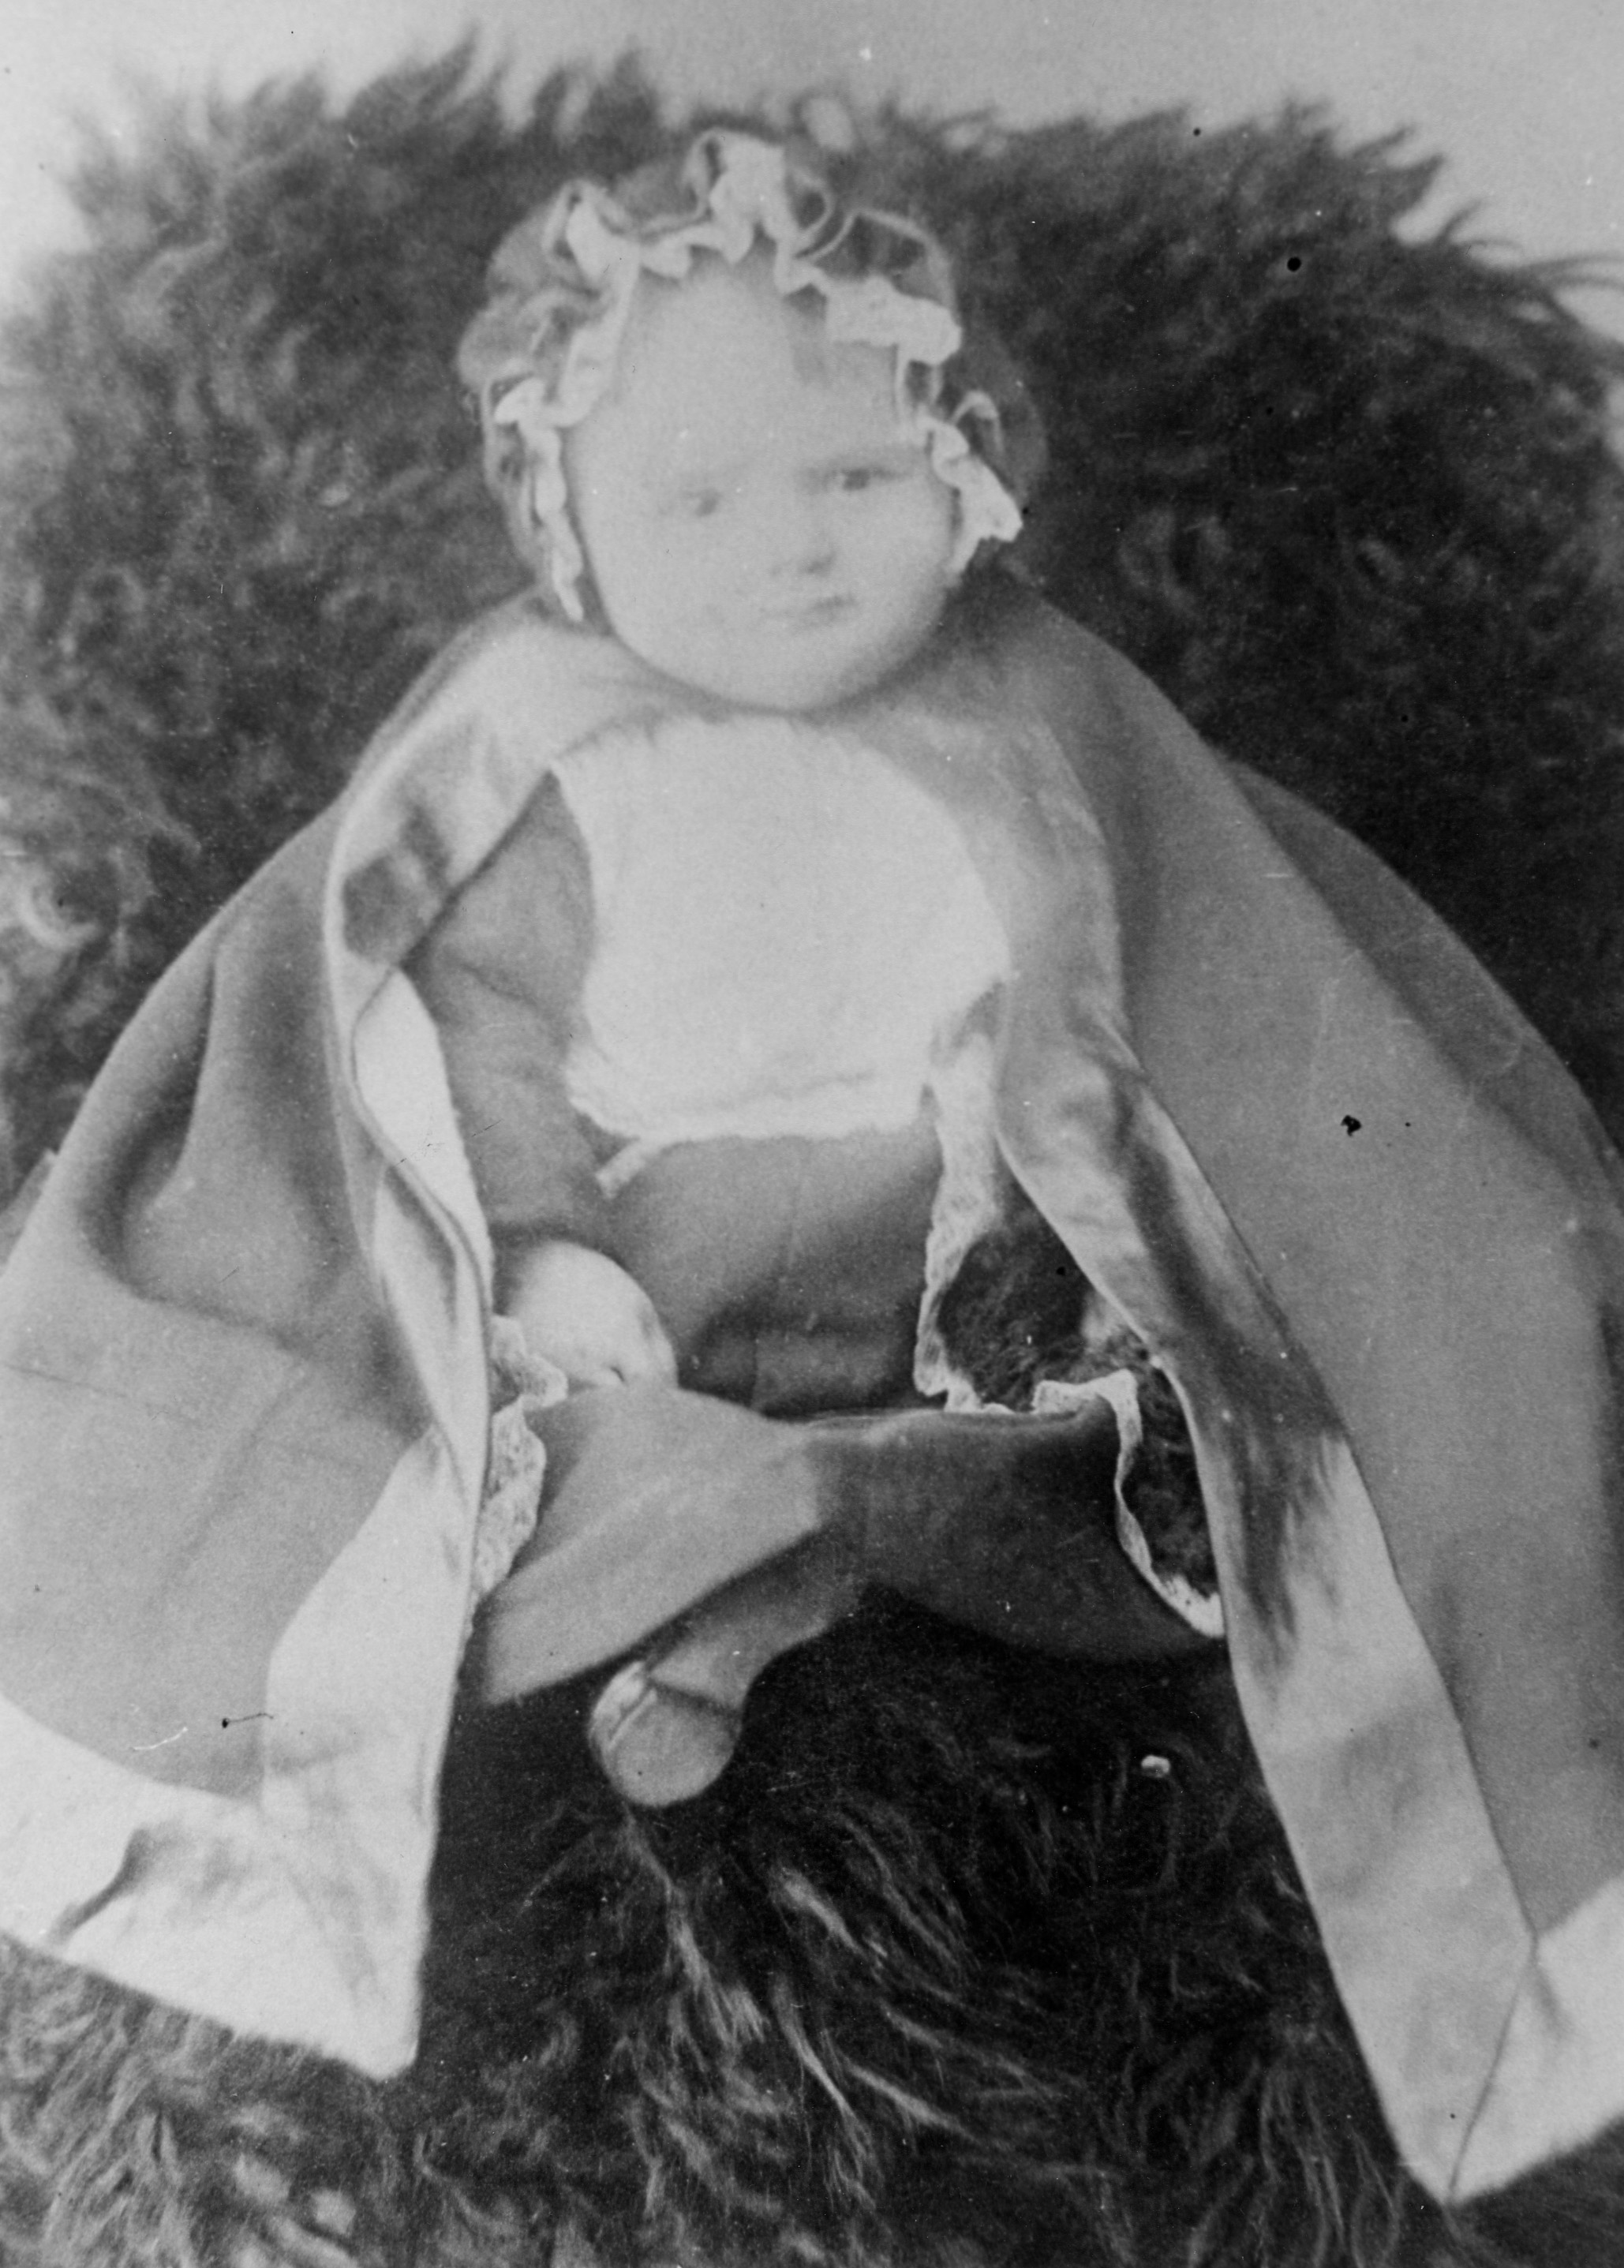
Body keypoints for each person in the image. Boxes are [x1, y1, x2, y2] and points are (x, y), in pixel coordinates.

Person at [2, 122, 1624, 2223]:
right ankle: (704, 1593)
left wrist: (1057, 1221)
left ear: (961, 471)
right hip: (650, 1278)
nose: (788, 549)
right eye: (698, 501)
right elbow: (461, 1030)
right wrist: (549, 1246)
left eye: (852, 478)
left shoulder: (1048, 727)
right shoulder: (538, 750)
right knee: (571, 1474)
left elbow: (1165, 1013)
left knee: (1044, 1486)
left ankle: (806, 1558)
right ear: (568, 523)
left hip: (939, 1276)